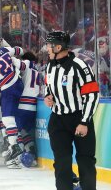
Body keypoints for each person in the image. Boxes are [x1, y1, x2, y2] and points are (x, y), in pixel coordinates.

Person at [44, 31, 99, 190]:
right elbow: (49, 86)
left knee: (86, 161)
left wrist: (84, 122)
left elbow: (91, 96)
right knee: (61, 162)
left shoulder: (80, 66)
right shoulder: (49, 65)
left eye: (49, 45)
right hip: (58, 120)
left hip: (79, 119)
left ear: (58, 47)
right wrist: (48, 96)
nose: (47, 48)